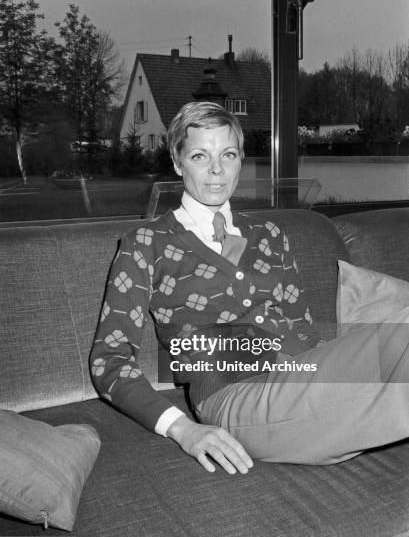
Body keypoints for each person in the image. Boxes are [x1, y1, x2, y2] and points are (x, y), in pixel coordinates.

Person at [90, 101, 409, 474]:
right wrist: (183, 429)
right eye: (199, 155)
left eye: (228, 154)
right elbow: (108, 360)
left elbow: (304, 332)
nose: (216, 170)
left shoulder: (269, 235)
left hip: (303, 378)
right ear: (177, 163)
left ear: (241, 158)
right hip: (231, 395)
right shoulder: (145, 243)